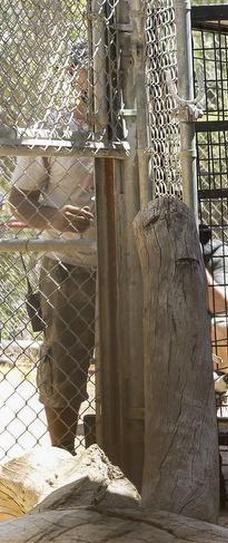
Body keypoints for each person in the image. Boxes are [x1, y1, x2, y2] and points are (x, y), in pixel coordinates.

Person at [7, 41, 96, 453]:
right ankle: (61, 456)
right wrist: (54, 219)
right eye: (86, 69)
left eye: (103, 68)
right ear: (72, 75)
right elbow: (19, 197)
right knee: (64, 363)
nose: (94, 78)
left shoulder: (135, 125)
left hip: (127, 265)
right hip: (67, 263)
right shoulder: (52, 128)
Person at [200, 224, 228, 372]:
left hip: (203, 327)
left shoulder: (217, 250)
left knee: (225, 325)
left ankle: (219, 389)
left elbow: (224, 306)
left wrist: (196, 262)